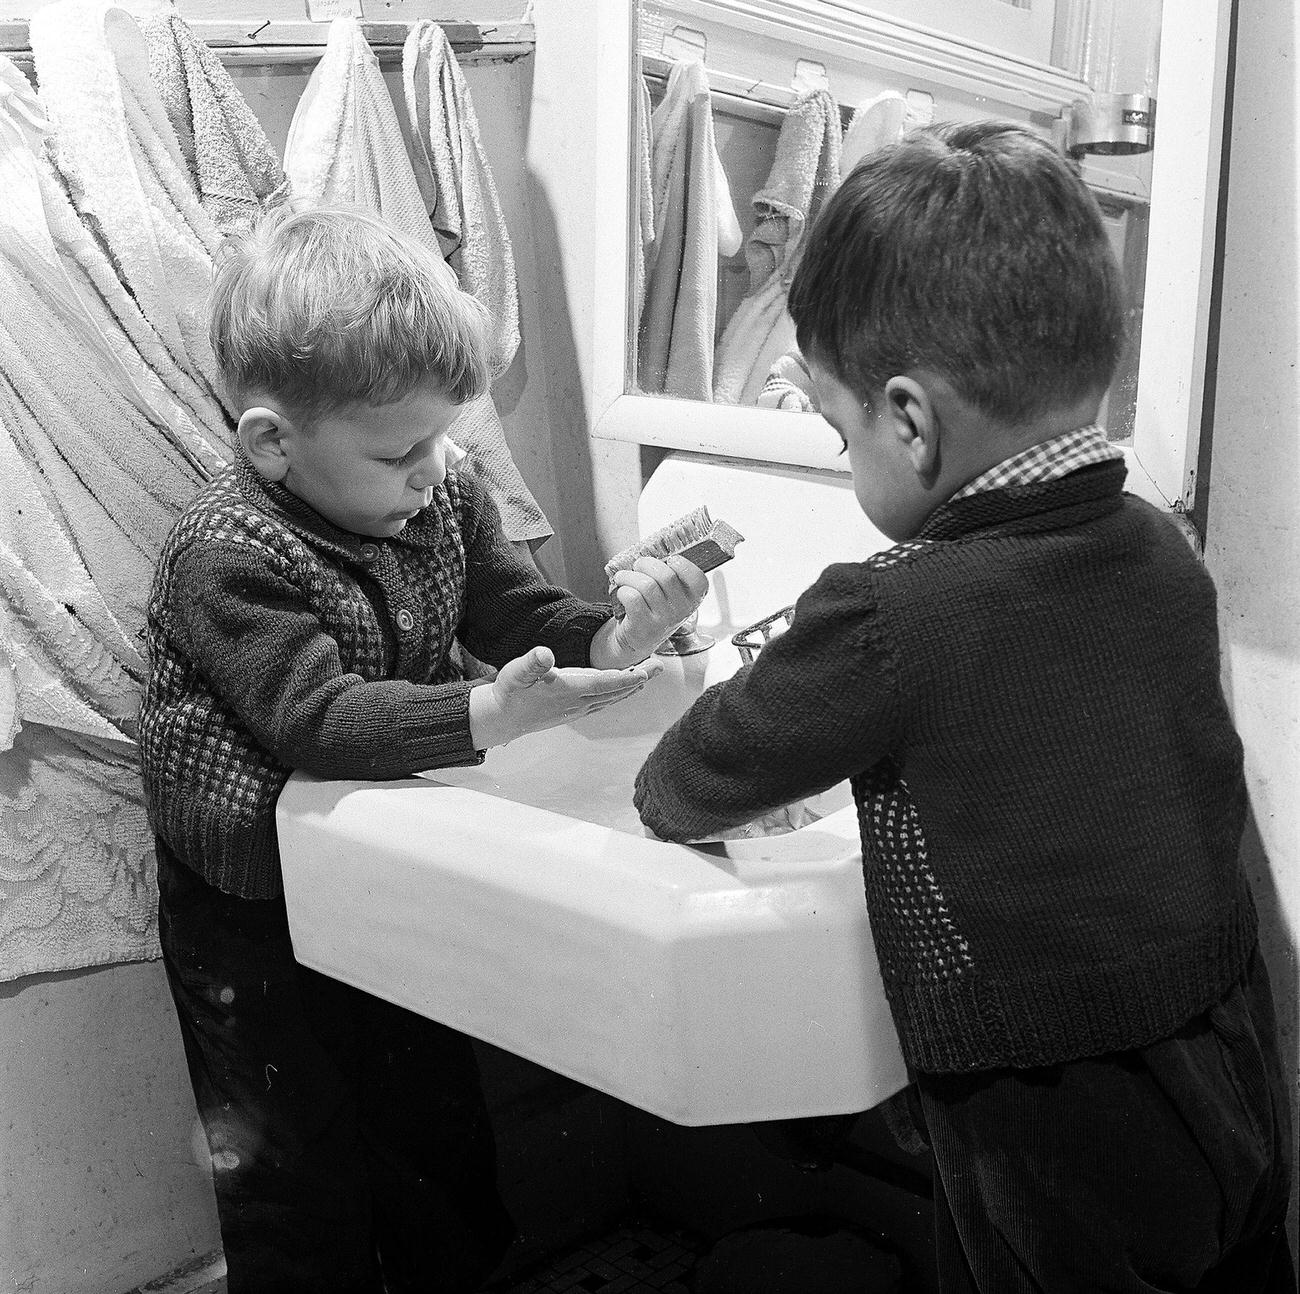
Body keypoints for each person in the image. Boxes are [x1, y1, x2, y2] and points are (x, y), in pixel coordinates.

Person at [633, 121, 1294, 1292]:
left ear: (908, 420)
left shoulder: (891, 613)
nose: (847, 463)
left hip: (1051, 1118)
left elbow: (685, 783)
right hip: (1232, 1053)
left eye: (838, 437)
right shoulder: (1156, 550)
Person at [140, 204, 707, 1294]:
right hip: (247, 898)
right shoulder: (222, 553)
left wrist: (610, 633)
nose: (435, 469)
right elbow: (317, 717)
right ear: (273, 443)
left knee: (432, 1116)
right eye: (400, 450)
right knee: (283, 1155)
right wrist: (486, 717)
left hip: (383, 854)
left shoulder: (440, 487)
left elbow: (515, 611)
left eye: (445, 436)